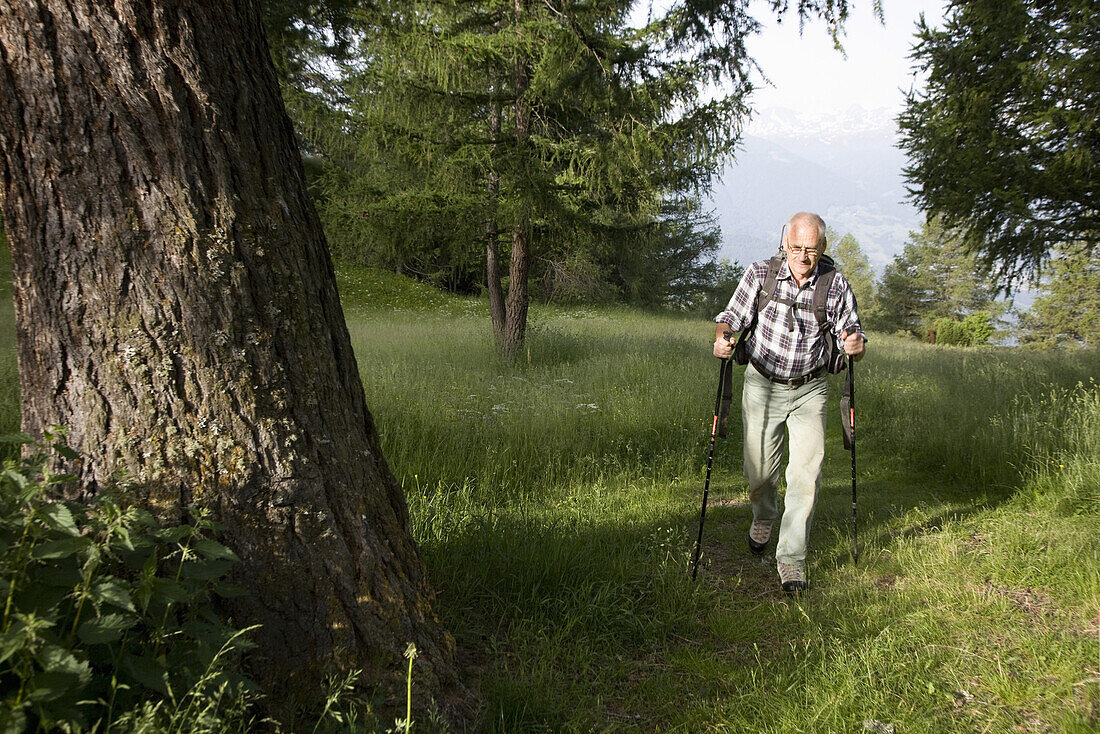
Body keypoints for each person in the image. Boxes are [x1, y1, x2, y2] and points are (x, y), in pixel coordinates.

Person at [712, 212, 866, 594]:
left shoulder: (834, 285)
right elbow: (730, 317)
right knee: (759, 472)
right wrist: (724, 338)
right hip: (762, 384)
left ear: (822, 249)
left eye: (810, 249)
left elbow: (852, 333)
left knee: (805, 476)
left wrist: (855, 344)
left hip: (810, 390)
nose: (802, 255)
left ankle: (791, 560)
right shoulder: (760, 274)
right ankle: (764, 514)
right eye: (796, 247)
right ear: (785, 243)